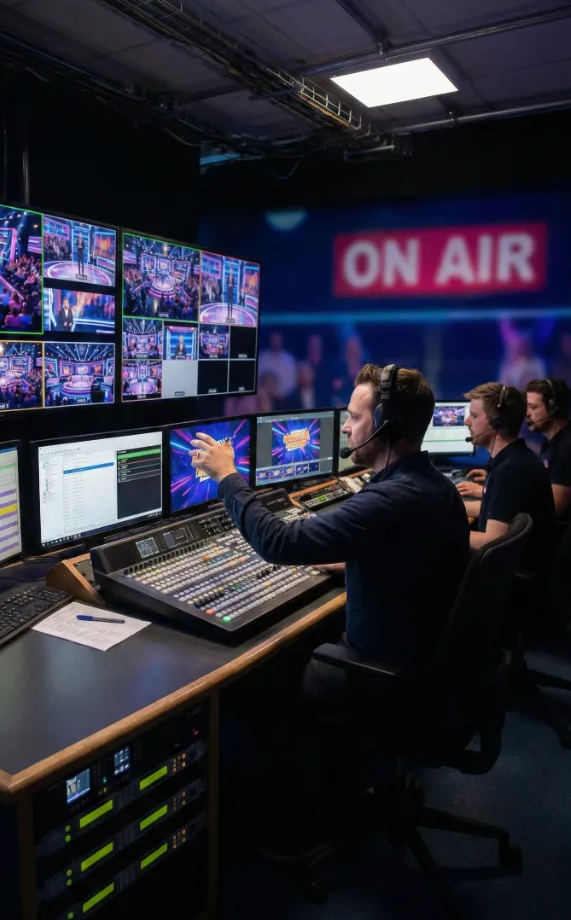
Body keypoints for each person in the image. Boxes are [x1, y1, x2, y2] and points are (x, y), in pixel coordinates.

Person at [190, 364, 471, 854]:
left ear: (385, 425)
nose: (344, 427)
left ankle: (288, 818)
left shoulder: (389, 499)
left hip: (384, 672)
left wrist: (228, 476)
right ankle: (344, 778)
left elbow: (278, 540)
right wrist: (356, 564)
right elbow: (404, 558)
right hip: (426, 662)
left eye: (355, 416)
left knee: (253, 676)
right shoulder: (436, 488)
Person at [455, 383, 554, 568]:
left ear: (497, 422)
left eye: (474, 415)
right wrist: (448, 504)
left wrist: (437, 531)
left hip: (511, 578)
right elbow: (494, 510)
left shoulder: (511, 471)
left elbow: (492, 541)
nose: (467, 421)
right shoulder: (513, 459)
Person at [525, 378, 571, 522]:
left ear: (554, 410)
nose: (527, 413)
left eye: (533, 407)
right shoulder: (552, 441)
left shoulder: (569, 449)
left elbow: (551, 509)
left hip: (553, 538)